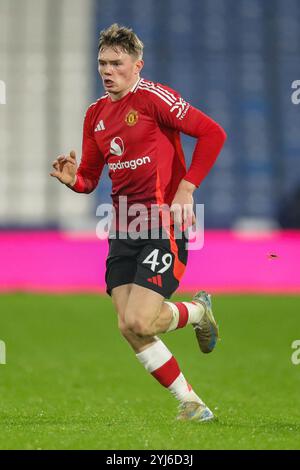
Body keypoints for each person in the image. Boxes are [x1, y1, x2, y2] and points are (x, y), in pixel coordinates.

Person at [50, 24, 227, 421]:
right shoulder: (95, 114)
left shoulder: (155, 99)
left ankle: (197, 313)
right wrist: (73, 179)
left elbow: (213, 133)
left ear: (137, 65)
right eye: (102, 63)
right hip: (124, 225)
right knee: (128, 326)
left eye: (117, 63)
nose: (108, 70)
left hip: (163, 221)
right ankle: (192, 402)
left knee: (140, 319)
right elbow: (91, 178)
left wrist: (187, 188)